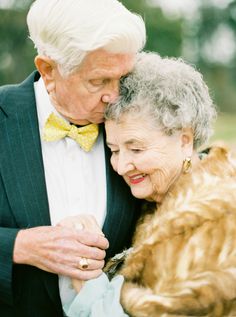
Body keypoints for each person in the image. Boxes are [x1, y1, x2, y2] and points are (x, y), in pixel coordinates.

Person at [0, 0, 146, 316]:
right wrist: (19, 246)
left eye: (123, 77)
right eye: (99, 80)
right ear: (48, 70)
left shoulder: (139, 120)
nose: (115, 96)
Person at [63, 52, 236, 317]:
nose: (121, 166)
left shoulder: (219, 223)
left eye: (136, 148)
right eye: (114, 150)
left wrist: (88, 285)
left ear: (184, 141)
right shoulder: (153, 202)